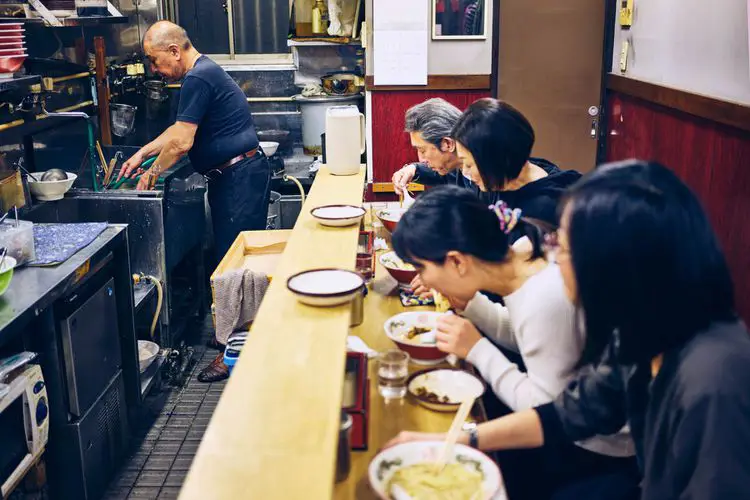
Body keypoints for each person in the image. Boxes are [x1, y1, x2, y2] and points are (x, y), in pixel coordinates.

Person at [387, 160, 750, 500]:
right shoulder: (641, 332)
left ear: (619, 261)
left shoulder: (714, 376)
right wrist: (459, 440)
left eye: (566, 246)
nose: (553, 258)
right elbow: (568, 414)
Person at [392, 185, 637, 499]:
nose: (422, 280)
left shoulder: (543, 296)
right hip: (574, 430)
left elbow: (548, 410)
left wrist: (477, 349)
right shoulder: (522, 256)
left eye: (421, 267)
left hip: (595, 451)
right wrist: (473, 306)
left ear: (457, 262)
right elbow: (529, 340)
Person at [119, 21, 271, 382]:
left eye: (156, 61)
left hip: (239, 179)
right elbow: (177, 131)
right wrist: (143, 153)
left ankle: (232, 353)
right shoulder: (201, 74)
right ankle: (237, 340)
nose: (155, 70)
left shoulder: (198, 78)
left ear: (175, 50)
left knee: (232, 267)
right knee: (229, 262)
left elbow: (183, 142)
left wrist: (151, 174)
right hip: (235, 177)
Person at [391, 98, 471, 193]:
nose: (421, 159)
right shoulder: (461, 167)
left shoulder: (488, 178)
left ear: (448, 144)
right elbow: (447, 175)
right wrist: (413, 169)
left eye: (422, 150)